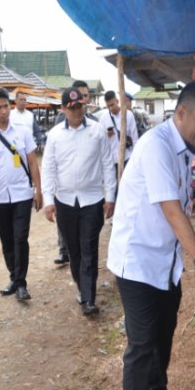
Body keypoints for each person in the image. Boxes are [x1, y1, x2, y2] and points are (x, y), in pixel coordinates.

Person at [107, 81, 195, 390]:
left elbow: (181, 211)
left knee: (163, 332)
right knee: (142, 346)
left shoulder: (183, 149)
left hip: (165, 261)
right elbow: (172, 210)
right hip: (139, 262)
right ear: (181, 112)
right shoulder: (156, 146)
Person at [42, 87, 116, 315]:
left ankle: (89, 298)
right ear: (63, 109)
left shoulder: (97, 131)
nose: (77, 112)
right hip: (64, 201)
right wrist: (48, 199)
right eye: (72, 108)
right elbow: (48, 168)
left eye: (80, 107)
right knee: (74, 251)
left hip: (92, 200)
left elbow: (107, 164)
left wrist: (110, 196)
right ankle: (82, 286)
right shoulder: (54, 135)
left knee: (89, 248)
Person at [0, 88, 42, 301]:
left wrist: (38, 190)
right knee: (7, 240)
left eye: (6, 106)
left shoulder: (22, 131)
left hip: (22, 194)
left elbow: (32, 162)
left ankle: (22, 283)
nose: (4, 111)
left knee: (20, 238)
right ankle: (13, 277)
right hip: (1, 197)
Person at [53, 80, 98, 267]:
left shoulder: (96, 124)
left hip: (89, 188)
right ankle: (65, 250)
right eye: (80, 95)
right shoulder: (59, 123)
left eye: (85, 97)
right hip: (66, 185)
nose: (81, 103)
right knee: (66, 222)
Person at [99, 90, 139, 178]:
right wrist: (106, 135)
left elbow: (134, 137)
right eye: (108, 106)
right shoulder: (104, 118)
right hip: (112, 160)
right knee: (114, 188)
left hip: (127, 158)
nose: (110, 108)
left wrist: (135, 158)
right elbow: (100, 139)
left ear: (117, 101)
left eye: (112, 105)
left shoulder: (128, 115)